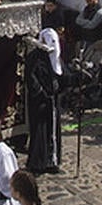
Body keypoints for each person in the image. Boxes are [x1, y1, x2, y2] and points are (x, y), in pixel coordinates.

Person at [24, 29, 62, 174]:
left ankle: (52, 161)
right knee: (40, 132)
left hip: (53, 102)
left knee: (52, 132)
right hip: (40, 103)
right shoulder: (35, 57)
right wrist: (41, 92)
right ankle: (37, 163)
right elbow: (30, 77)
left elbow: (61, 75)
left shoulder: (55, 56)